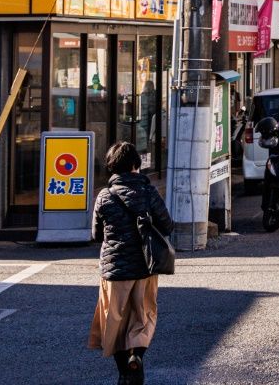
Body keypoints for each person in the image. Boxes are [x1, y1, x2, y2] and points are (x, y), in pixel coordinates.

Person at [90, 141, 172, 385]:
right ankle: (136, 355)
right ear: (137, 165)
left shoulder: (105, 195)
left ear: (112, 167)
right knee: (143, 317)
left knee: (113, 321)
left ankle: (124, 372)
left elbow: (96, 235)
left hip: (114, 271)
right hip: (145, 268)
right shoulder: (149, 192)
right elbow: (167, 226)